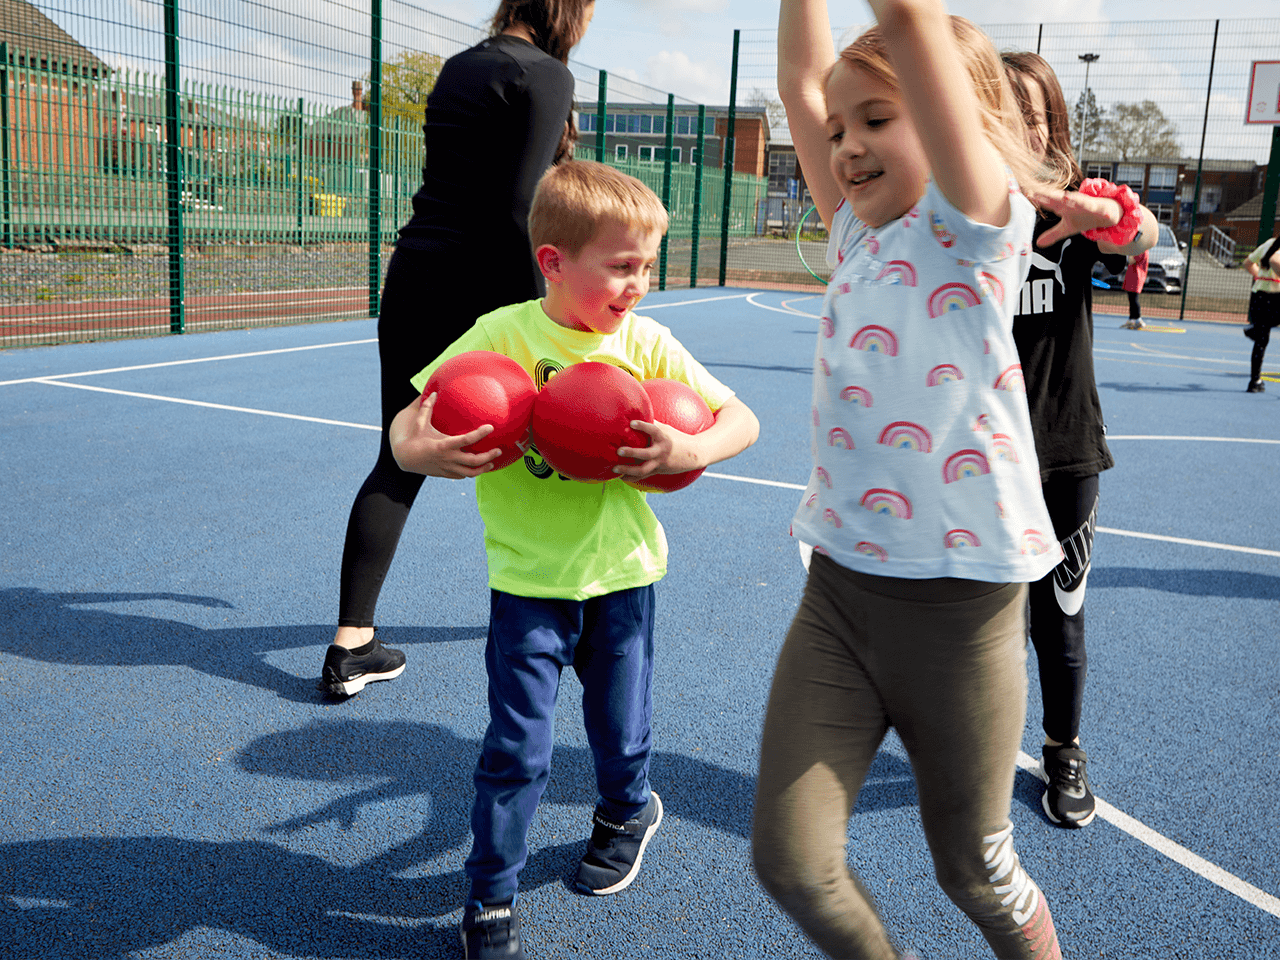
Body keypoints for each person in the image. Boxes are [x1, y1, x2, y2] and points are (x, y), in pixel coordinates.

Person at [749, 1, 1128, 955]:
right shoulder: (852, 236)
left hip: (961, 613)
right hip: (838, 593)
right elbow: (801, 84)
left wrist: (906, 41)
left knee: (974, 867)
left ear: (956, 115)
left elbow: (913, 26)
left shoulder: (974, 228)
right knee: (791, 863)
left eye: (879, 118)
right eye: (839, 131)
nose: (846, 146)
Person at [390, 160, 760, 960]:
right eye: (623, 267)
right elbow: (409, 422)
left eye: (648, 268)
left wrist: (690, 444)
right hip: (526, 582)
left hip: (623, 575)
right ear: (554, 261)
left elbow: (743, 420)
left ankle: (629, 809)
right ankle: (490, 895)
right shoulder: (503, 336)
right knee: (516, 746)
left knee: (618, 729)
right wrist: (420, 450)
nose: (639, 285)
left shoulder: (647, 344)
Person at [319, 0, 597, 699]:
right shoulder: (545, 77)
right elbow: (518, 205)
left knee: (397, 453)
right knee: (557, 448)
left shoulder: (460, 67)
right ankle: (567, 620)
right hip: (492, 283)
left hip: (417, 272)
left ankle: (352, 644)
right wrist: (549, 311)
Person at [1002, 51, 1157, 829]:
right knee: (978, 622)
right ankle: (973, 741)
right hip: (982, 460)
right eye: (1000, 110)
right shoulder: (965, 213)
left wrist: (1116, 215)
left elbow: (1138, 235)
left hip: (1065, 450)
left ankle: (1063, 748)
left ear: (1054, 123)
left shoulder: (1078, 206)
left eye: (1033, 113)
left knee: (1057, 618)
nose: (1020, 126)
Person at [1244, 235, 1280, 393]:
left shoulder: (1268, 243)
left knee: (1261, 342)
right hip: (1274, 298)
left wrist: (1259, 275)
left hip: (1258, 296)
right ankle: (1256, 330)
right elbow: (1274, 260)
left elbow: (1247, 263)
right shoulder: (1276, 248)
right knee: (1262, 337)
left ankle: (1254, 381)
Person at [1122, 250, 1149, 330]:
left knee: (1134, 298)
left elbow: (1131, 260)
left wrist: (1129, 252)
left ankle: (1138, 319)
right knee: (1131, 298)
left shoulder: (1141, 250)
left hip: (1136, 276)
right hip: (1133, 275)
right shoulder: (1141, 249)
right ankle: (1131, 319)